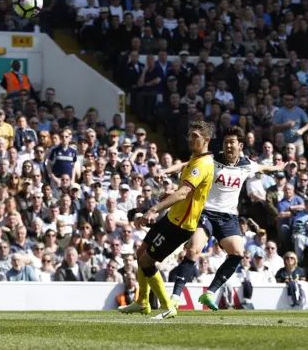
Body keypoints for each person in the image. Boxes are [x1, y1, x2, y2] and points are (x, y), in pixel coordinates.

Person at [163, 126, 284, 310]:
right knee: (193, 251)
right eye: (226, 142)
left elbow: (262, 166)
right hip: (206, 213)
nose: (228, 145)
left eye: (232, 142)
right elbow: (187, 164)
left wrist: (276, 167)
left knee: (238, 253)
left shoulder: (246, 165)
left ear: (240, 145)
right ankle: (175, 297)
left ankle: (210, 293)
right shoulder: (211, 160)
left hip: (228, 217)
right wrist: (166, 171)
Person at [118, 121, 215, 320]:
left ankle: (167, 305)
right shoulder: (196, 159)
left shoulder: (203, 164)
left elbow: (184, 193)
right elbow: (184, 181)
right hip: (173, 217)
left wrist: (153, 209)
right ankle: (142, 302)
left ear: (206, 140)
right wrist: (170, 178)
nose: (191, 139)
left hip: (180, 225)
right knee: (141, 252)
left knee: (146, 261)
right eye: (190, 135)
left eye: (195, 135)